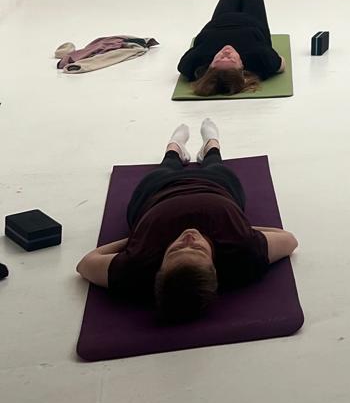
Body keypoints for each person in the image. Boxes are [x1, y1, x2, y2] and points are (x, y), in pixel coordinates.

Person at [76, 120, 298, 322]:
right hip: (217, 186)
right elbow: (288, 240)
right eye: (199, 250)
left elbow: (85, 264)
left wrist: (131, 242)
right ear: (215, 266)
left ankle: (174, 146)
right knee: (216, 166)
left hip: (156, 192)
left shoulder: (137, 266)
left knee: (165, 167)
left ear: (159, 266)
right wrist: (245, 230)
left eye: (175, 251)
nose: (189, 238)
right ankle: (211, 145)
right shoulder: (243, 251)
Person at [177, 0, 283, 97]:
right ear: (242, 67)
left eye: (219, 59)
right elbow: (282, 64)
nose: (226, 53)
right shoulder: (259, 56)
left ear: (210, 65)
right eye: (231, 59)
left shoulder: (194, 62)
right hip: (253, 22)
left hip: (220, 20)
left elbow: (183, 68)